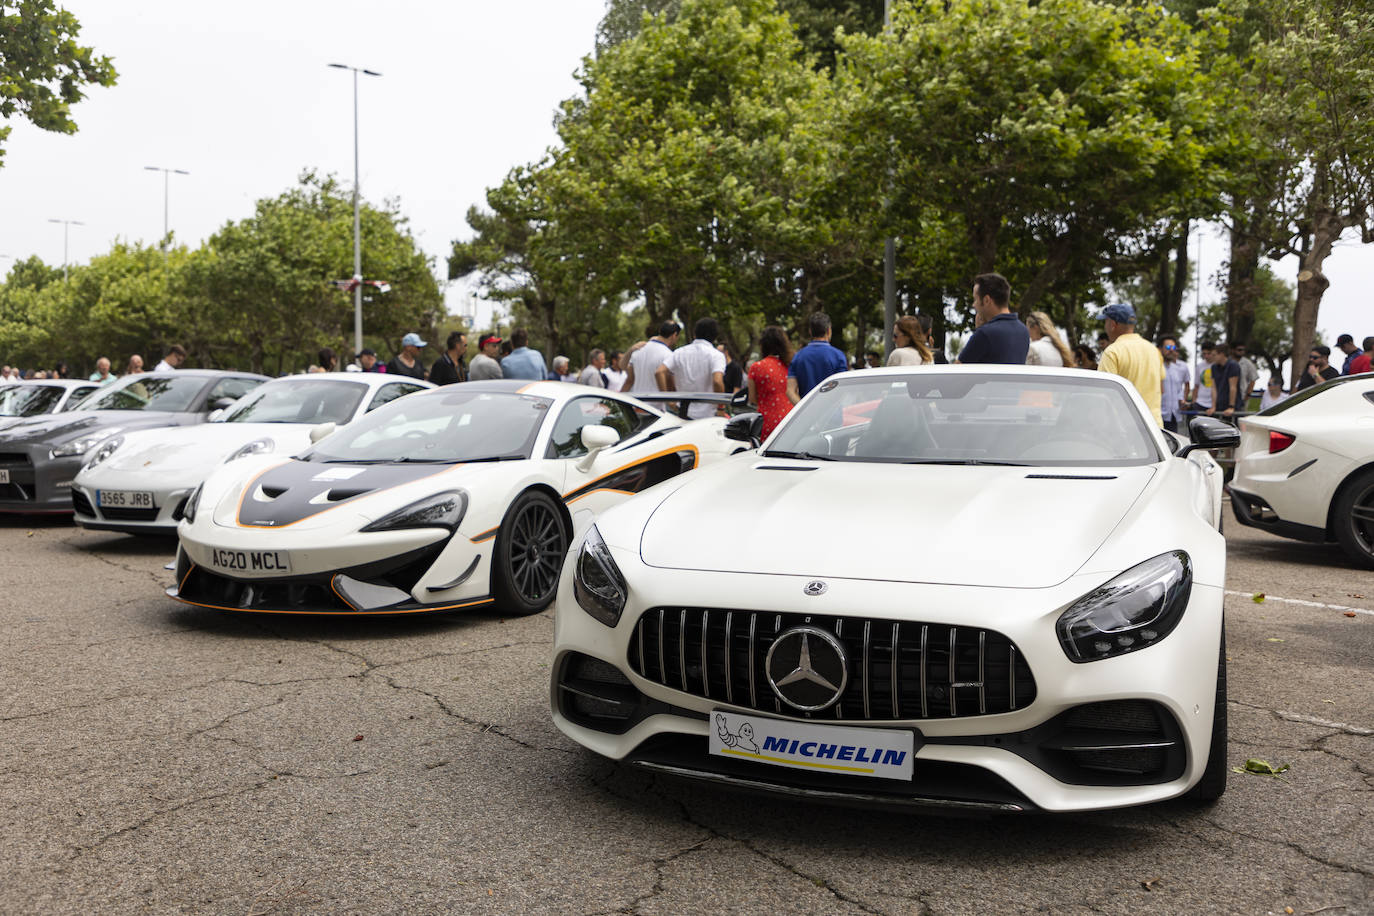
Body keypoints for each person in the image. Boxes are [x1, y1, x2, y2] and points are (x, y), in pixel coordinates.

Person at [1097, 303, 1164, 425]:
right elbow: (1161, 388)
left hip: (1124, 428)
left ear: (1113, 324)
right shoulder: (1153, 350)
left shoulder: (1112, 352)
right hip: (1154, 427)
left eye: (1105, 322)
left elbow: (1104, 394)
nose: (1105, 327)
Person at [657, 316, 726, 419]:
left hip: (683, 413)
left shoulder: (679, 352)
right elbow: (717, 381)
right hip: (708, 416)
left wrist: (668, 400)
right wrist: (721, 407)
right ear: (715, 336)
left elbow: (659, 372)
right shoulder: (716, 355)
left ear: (695, 334)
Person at [956, 274, 1029, 365]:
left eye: (975, 299)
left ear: (986, 300)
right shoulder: (1023, 331)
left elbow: (957, 370)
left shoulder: (984, 334)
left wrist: (979, 331)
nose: (974, 305)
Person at [787, 311, 849, 403]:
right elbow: (843, 389)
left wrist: (804, 409)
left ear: (810, 331)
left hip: (807, 415)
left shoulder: (798, 356)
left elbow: (790, 391)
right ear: (828, 330)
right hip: (833, 414)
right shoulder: (838, 356)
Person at [748, 325, 794, 439]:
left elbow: (752, 398)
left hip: (767, 422)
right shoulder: (790, 365)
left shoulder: (756, 367)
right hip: (791, 420)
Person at [622, 321, 680, 393]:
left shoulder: (638, 350)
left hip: (637, 401)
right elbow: (671, 385)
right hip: (657, 402)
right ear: (674, 335)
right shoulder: (669, 355)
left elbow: (629, 380)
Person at [1159, 336, 1191, 433]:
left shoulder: (1176, 369)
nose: (1172, 351)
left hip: (1173, 415)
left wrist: (1181, 399)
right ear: (1160, 349)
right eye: (1168, 348)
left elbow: (1179, 390)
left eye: (1174, 348)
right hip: (1159, 415)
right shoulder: (1155, 366)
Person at [1205, 342, 1242, 418]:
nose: (1212, 357)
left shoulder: (1233, 365)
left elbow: (1233, 387)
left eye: (1214, 355)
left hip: (1232, 406)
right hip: (1220, 405)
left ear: (1221, 354)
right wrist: (1213, 406)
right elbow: (1214, 388)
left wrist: (1231, 407)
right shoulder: (1214, 367)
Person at [1230, 342, 1259, 407]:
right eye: (1239, 350)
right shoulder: (1227, 362)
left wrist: (1247, 395)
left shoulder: (1248, 364)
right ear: (1233, 350)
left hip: (1242, 396)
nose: (1242, 352)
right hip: (1227, 397)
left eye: (1243, 350)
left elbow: (1253, 380)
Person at [1191, 344, 1214, 414]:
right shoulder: (1199, 366)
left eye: (1209, 353)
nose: (1206, 356)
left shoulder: (1218, 365)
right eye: (1204, 354)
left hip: (1214, 403)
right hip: (1200, 402)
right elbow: (1196, 385)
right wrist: (1194, 401)